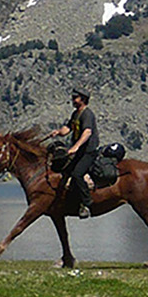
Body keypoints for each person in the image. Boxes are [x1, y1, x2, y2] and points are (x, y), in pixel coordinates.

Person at [53, 90, 98, 218]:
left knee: (77, 174)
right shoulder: (76, 114)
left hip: (88, 151)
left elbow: (87, 132)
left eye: (75, 98)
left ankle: (87, 204)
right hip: (79, 151)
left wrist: (76, 147)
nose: (73, 100)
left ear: (83, 99)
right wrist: (58, 132)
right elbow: (68, 128)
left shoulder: (87, 114)